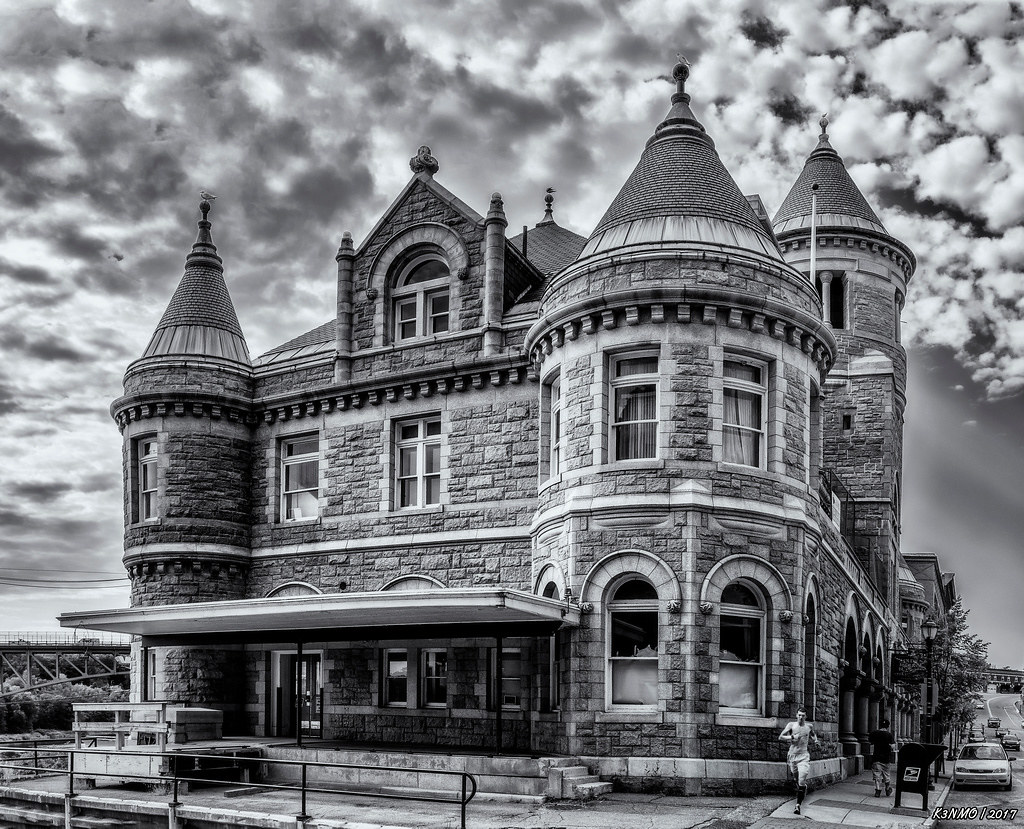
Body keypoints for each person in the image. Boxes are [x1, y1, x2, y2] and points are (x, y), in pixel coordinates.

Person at [779, 706, 820, 814]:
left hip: (804, 756)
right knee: (797, 779)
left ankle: (797, 806)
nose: (801, 717)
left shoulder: (809, 726)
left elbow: (813, 735)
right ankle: (802, 788)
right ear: (796, 715)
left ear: (806, 716)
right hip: (793, 756)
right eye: (799, 715)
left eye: (803, 715)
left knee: (801, 779)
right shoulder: (791, 725)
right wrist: (792, 737)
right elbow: (781, 737)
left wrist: (816, 741)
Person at [868, 719, 895, 797]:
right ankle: (887, 789)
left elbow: (870, 744)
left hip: (876, 757)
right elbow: (893, 746)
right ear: (888, 726)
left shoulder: (874, 733)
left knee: (877, 775)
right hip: (886, 758)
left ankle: (878, 790)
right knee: (886, 775)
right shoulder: (889, 735)